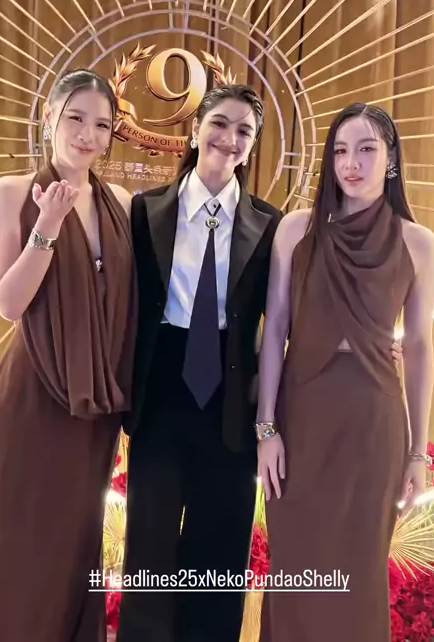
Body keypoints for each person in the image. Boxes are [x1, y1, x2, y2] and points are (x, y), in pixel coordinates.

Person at [117, 85, 403, 642]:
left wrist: (366, 343)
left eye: (244, 131)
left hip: (234, 399)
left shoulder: (272, 225)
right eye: (220, 124)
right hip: (160, 397)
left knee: (220, 552)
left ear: (253, 144)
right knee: (149, 550)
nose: (230, 138)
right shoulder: (144, 211)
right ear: (195, 128)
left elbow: (296, 314)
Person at [256, 102, 434, 642]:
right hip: (302, 420)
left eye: (366, 149)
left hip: (372, 425)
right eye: (340, 151)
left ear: (391, 159)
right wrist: (266, 428)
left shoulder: (418, 243)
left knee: (358, 579)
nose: (351, 163)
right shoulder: (295, 230)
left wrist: (417, 453)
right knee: (295, 572)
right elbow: (274, 329)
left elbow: (420, 347)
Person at [0, 69, 138, 642]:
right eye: (75, 117)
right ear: (49, 118)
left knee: (75, 548)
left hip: (93, 408)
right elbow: (9, 303)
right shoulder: (12, 192)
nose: (87, 134)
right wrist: (46, 225)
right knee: (16, 545)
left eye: (102, 125)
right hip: (32, 400)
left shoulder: (121, 202)